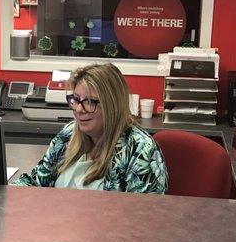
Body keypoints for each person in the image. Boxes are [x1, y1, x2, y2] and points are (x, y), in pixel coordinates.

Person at [13, 63, 168, 194]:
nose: (79, 109)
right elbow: (35, 182)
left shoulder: (140, 149)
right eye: (75, 99)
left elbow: (145, 219)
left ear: (111, 106)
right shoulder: (69, 134)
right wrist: (3, 196)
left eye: (90, 102)